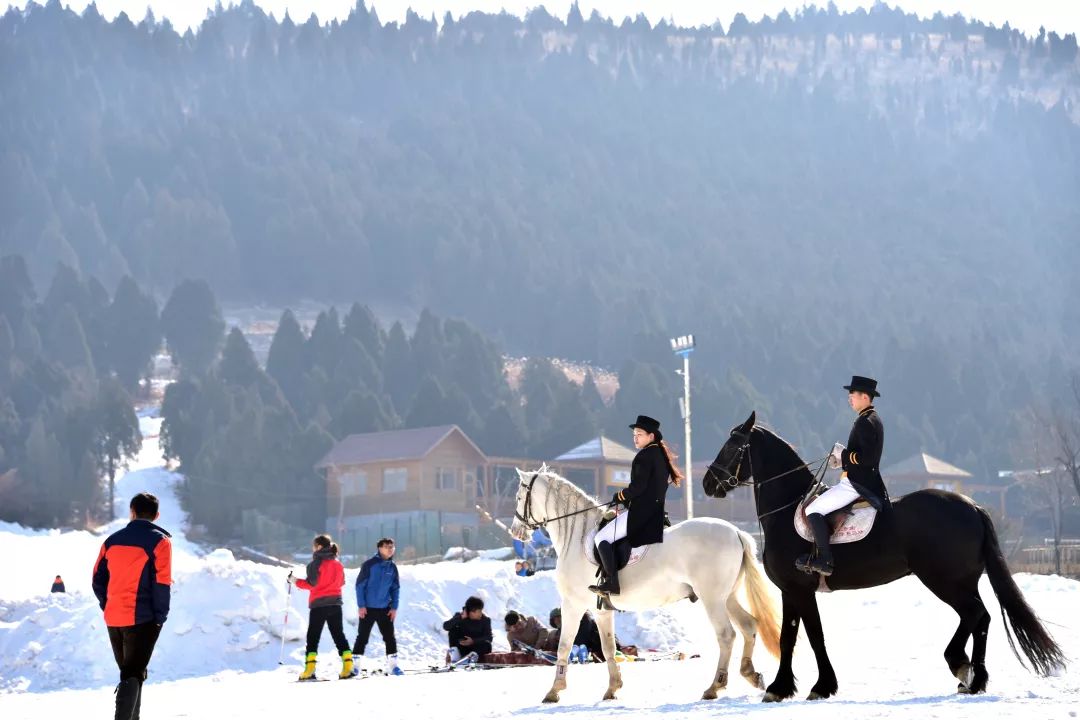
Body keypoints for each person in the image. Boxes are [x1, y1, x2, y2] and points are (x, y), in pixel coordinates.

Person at [92, 492, 171, 720]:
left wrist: (108, 603)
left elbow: (97, 578)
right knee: (132, 674)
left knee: (131, 674)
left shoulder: (111, 541)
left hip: (114, 617)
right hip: (143, 619)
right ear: (156, 516)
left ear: (132, 512)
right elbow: (162, 582)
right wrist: (160, 616)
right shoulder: (160, 542)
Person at [798, 375, 887, 577]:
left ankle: (825, 560)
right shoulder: (869, 418)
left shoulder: (866, 422)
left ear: (865, 396)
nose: (849, 399)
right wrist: (843, 460)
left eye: (852, 395)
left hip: (857, 484)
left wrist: (843, 454)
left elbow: (868, 458)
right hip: (856, 479)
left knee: (813, 509)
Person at [589, 415, 683, 596]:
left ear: (651, 436)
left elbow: (638, 487)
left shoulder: (645, 456)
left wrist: (620, 496)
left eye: (639, 434)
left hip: (640, 514)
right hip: (655, 511)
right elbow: (649, 489)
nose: (635, 438)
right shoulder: (660, 456)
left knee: (601, 539)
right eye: (634, 434)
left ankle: (612, 583)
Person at [291, 534, 352, 680]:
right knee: (339, 635)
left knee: (313, 637)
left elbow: (311, 584)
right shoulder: (338, 564)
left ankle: (310, 670)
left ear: (318, 547)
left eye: (314, 546)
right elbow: (342, 582)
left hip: (319, 605)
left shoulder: (315, 564)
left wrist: (294, 581)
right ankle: (348, 667)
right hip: (336, 604)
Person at [352, 537, 402, 676]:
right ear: (379, 548)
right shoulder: (369, 565)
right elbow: (359, 586)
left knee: (389, 637)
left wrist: (394, 607)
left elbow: (395, 588)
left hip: (385, 609)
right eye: (387, 546)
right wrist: (361, 605)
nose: (390, 549)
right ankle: (355, 667)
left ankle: (393, 667)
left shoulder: (392, 567)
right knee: (362, 637)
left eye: (392, 546)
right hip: (368, 608)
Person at [442, 595, 493, 663]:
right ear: (472, 612)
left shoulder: (485, 620)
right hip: (462, 649)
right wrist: (460, 618)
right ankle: (455, 657)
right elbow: (446, 626)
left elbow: (489, 637)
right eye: (479, 611)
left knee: (487, 644)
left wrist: (473, 641)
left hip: (477, 650)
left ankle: (470, 659)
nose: (481, 613)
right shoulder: (460, 617)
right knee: (452, 629)